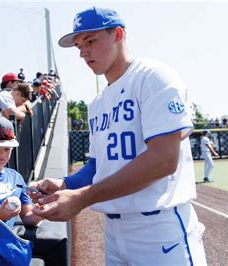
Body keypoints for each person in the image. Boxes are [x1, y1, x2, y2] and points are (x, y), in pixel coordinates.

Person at [29, 6, 207, 265]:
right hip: (114, 232)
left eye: (90, 41)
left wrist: (83, 197)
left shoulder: (153, 76)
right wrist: (65, 185)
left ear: (118, 34)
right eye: (79, 45)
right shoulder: (98, 103)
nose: (83, 52)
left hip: (158, 229)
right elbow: (98, 165)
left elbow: (164, 159)